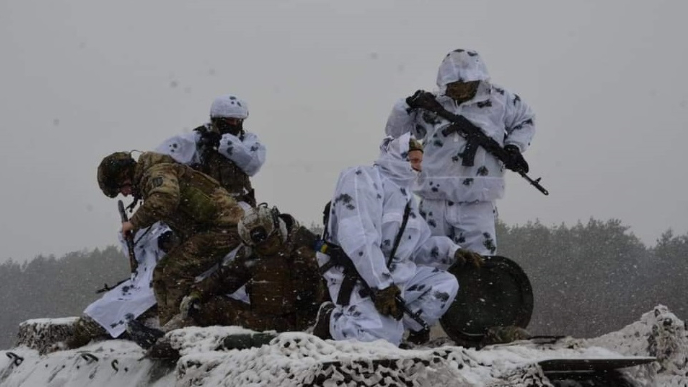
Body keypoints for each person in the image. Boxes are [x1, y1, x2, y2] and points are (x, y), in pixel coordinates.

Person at [314, 133, 482, 346]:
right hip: (355, 277)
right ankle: (332, 319)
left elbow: (417, 246)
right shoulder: (362, 178)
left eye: (421, 161)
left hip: (395, 278)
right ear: (396, 157)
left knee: (444, 285)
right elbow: (358, 237)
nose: (418, 166)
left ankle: (401, 328)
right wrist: (381, 284)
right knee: (379, 340)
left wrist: (452, 251)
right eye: (412, 160)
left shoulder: (407, 198)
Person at [384, 49, 536, 255]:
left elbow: (525, 121)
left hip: (477, 201)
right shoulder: (432, 105)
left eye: (464, 84)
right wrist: (407, 106)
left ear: (477, 79)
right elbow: (396, 134)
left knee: (479, 266)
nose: (458, 90)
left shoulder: (501, 100)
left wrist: (514, 146)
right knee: (428, 262)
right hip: (433, 200)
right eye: (453, 85)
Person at [96, 151, 244, 326]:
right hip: (210, 229)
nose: (125, 194)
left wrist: (133, 222)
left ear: (124, 175)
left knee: (175, 273)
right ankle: (168, 324)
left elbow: (166, 199)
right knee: (160, 274)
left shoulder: (156, 173)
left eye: (121, 189)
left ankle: (181, 327)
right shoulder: (151, 176)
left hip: (224, 227)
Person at [178, 204, 326, 333]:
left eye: (271, 242)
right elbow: (226, 277)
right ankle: (170, 337)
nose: (267, 248)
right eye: (262, 247)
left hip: (297, 326)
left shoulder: (306, 250)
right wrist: (197, 293)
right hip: (262, 319)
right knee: (209, 307)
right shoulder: (252, 255)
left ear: (279, 231)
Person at [60, 222, 174, 351]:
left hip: (157, 291)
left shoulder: (180, 229)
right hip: (138, 286)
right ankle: (69, 345)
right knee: (95, 314)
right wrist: (130, 232)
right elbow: (135, 251)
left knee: (135, 319)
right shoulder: (154, 229)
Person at [155, 94, 266, 207]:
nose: (234, 124)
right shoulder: (198, 139)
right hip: (203, 205)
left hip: (238, 203)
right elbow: (160, 158)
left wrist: (223, 143)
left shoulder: (248, 140)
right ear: (217, 119)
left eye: (238, 120)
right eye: (230, 120)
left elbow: (253, 164)